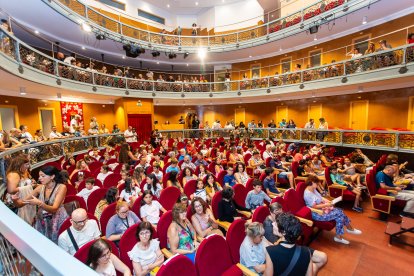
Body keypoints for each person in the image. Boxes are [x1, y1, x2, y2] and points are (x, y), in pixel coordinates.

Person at [12, 166, 68, 243]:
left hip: (57, 219)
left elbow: (54, 209)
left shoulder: (61, 187)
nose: (39, 178)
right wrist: (15, 200)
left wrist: (39, 203)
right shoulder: (40, 188)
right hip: (43, 219)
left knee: (59, 242)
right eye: (39, 176)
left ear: (52, 176)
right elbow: (20, 204)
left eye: (43, 176)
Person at [304, 175, 362, 244]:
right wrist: (326, 205)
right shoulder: (307, 194)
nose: (318, 185)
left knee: (340, 214)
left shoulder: (313, 189)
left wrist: (328, 201)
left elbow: (321, 198)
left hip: (322, 208)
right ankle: (348, 229)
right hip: (317, 213)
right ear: (312, 182)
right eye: (316, 183)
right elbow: (314, 207)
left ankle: (340, 236)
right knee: (340, 213)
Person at [5, 154, 36, 224]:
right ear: (20, 164)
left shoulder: (25, 172)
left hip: (25, 201)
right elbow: (11, 190)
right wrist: (30, 187)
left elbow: (31, 180)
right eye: (26, 164)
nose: (28, 166)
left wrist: (32, 183)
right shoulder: (14, 175)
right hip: (16, 204)